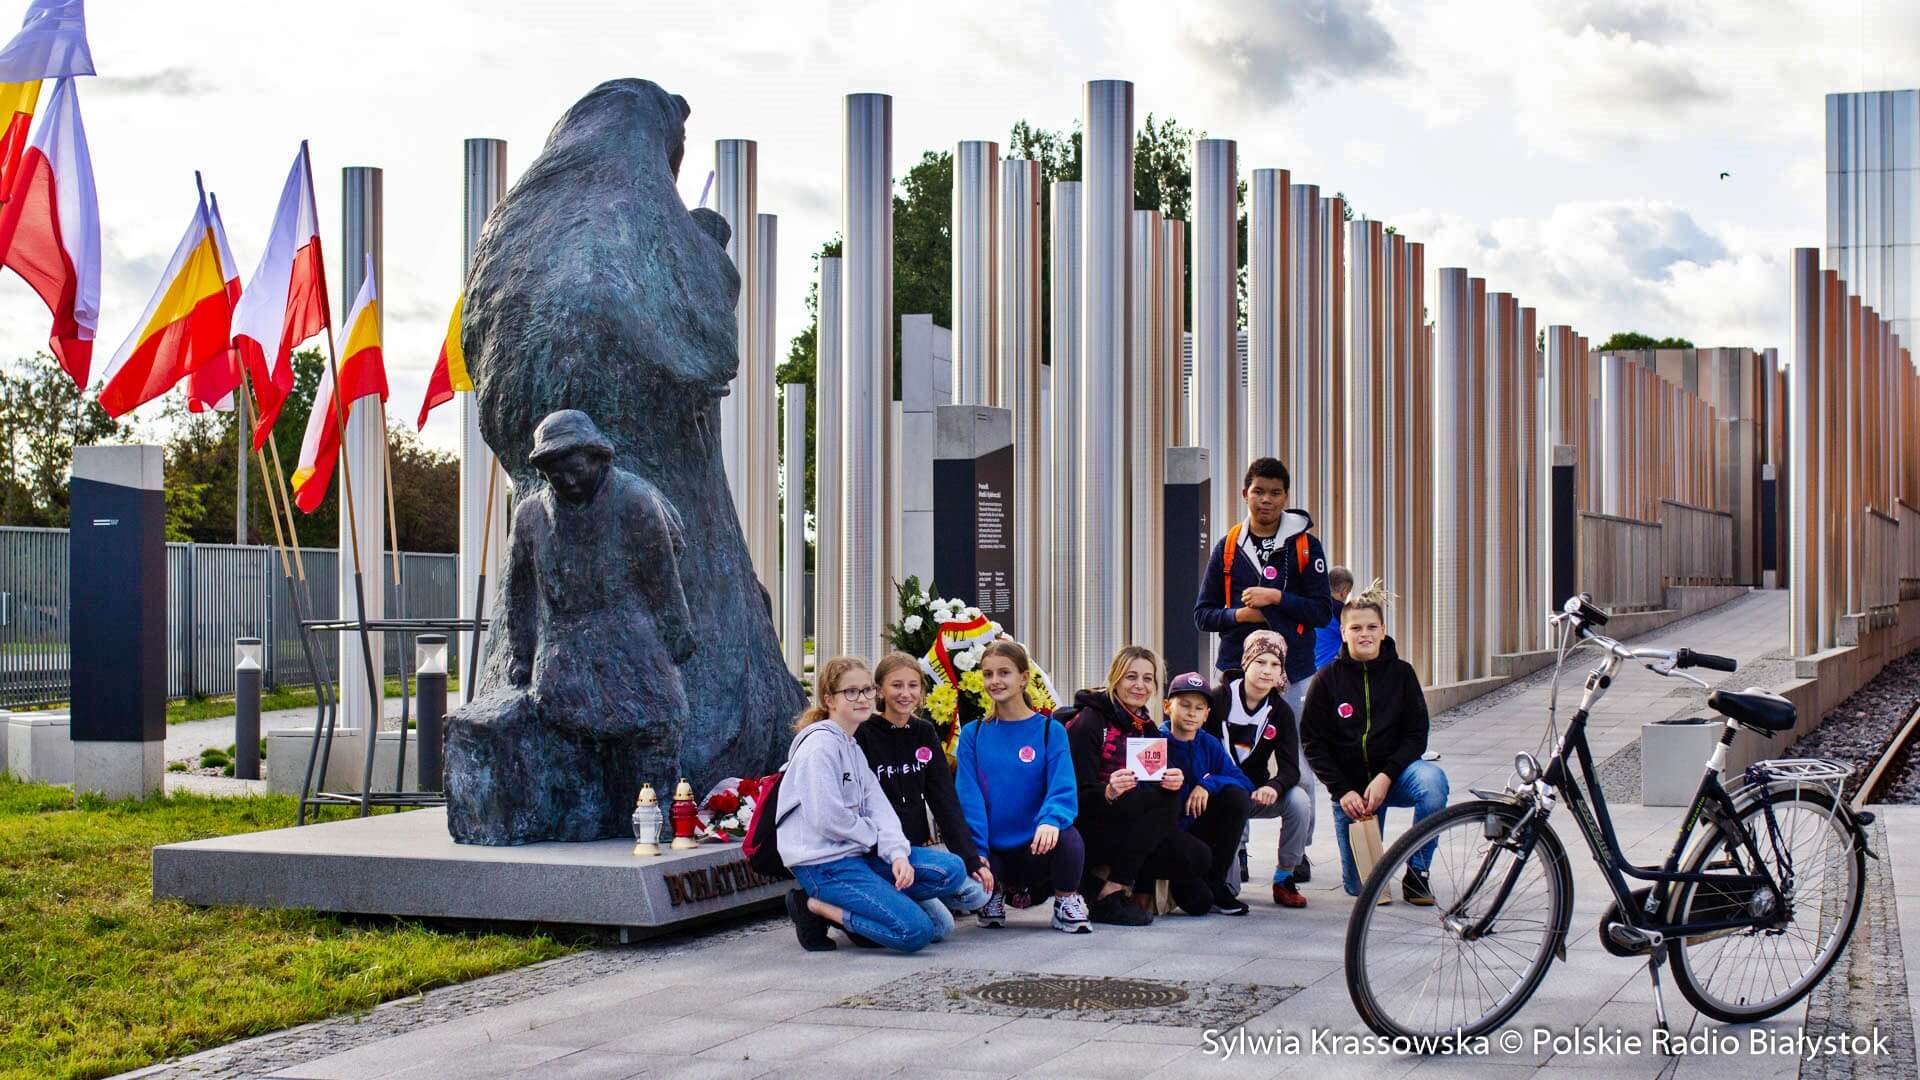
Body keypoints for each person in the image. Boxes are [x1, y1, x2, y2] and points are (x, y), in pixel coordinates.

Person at [1193, 457, 1333, 879]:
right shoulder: (1230, 546)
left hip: (1294, 673)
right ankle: (1236, 846)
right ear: (1244, 494)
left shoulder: (1306, 546)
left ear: (1286, 497)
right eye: (1259, 491)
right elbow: (1204, 614)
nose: (1266, 500)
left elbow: (1324, 611)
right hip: (1237, 671)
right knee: (1230, 762)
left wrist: (1276, 599)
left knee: (1299, 765)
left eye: (1275, 492)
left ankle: (1298, 851)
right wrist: (1241, 617)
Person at [777, 657, 971, 952]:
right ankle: (817, 906)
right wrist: (871, 836)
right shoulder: (819, 748)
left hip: (860, 856)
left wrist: (897, 856)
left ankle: (879, 903)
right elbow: (827, 819)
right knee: (916, 932)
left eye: (867, 690)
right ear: (830, 699)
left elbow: (881, 810)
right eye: (851, 692)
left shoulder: (851, 745)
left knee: (953, 870)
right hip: (825, 865)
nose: (863, 698)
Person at [1300, 582, 1450, 905]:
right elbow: (1313, 743)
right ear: (1343, 632)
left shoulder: (1403, 674)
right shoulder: (1325, 680)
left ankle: (1417, 872)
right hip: (1353, 793)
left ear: (1383, 631)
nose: (1364, 634)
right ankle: (1369, 864)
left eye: (1371, 627)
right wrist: (1342, 790)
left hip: (1395, 779)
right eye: (1356, 627)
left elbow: (1416, 734)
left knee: (1434, 782)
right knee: (1361, 889)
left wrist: (1387, 775)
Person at [1063, 646, 1212, 923]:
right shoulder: (1089, 722)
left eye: (1147, 679)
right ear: (1115, 678)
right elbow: (1073, 794)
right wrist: (1107, 791)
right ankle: (1110, 889)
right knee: (1145, 802)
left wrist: (1172, 781)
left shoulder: (1146, 725)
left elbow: (1156, 790)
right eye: (1131, 677)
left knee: (1198, 856)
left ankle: (1118, 883)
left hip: (1133, 827)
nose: (1139, 685)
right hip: (1091, 823)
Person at [954, 640, 1092, 934]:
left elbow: (1063, 787)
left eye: (1004, 673)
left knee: (1068, 837)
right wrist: (976, 850)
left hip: (1036, 849)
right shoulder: (972, 733)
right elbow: (969, 797)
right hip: (994, 853)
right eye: (988, 674)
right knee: (976, 860)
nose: (995, 681)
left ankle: (1066, 901)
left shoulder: (1049, 730)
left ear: (1023, 678)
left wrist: (1051, 820)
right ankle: (993, 893)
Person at [856, 651, 993, 933]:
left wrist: (970, 857)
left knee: (978, 893)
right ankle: (868, 901)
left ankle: (905, 897)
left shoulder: (924, 732)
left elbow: (944, 799)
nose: (905, 693)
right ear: (880, 689)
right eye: (896, 685)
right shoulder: (864, 734)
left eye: (912, 685)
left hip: (914, 851)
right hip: (879, 853)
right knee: (940, 927)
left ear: (922, 689)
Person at [1200, 631, 1315, 908]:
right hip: (1220, 796)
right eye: (1260, 662)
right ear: (1246, 662)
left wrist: (1273, 787)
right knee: (1229, 891)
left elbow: (1290, 768)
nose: (1267, 671)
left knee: (1299, 800)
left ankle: (1284, 877)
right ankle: (1227, 863)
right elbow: (1200, 753)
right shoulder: (1218, 701)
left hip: (1256, 794)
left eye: (1275, 665)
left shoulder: (1280, 711)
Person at [1162, 672, 1255, 915]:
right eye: (1184, 705)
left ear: (1206, 715)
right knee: (1198, 904)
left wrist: (1208, 784)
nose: (1192, 713)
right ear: (1167, 707)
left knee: (1236, 796)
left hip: (1199, 828)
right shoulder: (1156, 741)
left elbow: (1243, 782)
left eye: (1199, 708)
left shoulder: (1209, 743)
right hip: (1170, 834)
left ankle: (1216, 880)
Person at [1313, 566, 1355, 671]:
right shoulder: (1341, 610)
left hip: (1312, 668)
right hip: (1331, 669)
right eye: (1349, 592)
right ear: (1344, 591)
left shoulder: (1316, 605)